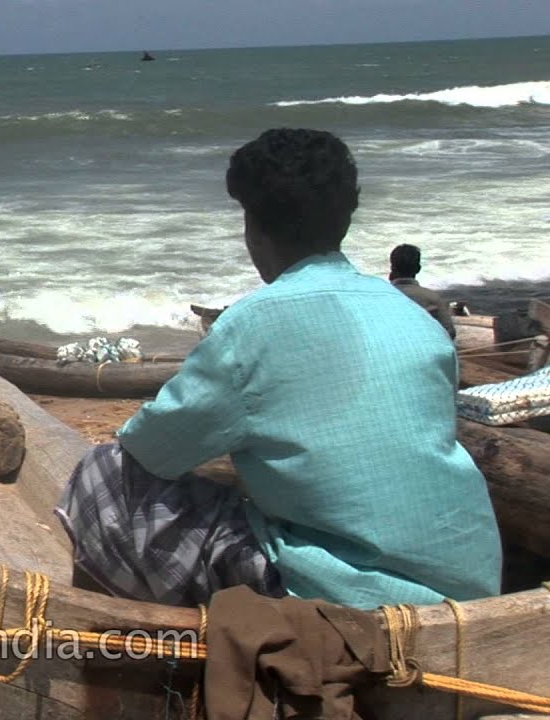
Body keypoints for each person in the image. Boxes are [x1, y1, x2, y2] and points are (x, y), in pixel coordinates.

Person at [55, 128, 500, 610]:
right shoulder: (416, 319)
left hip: (347, 597)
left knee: (104, 471)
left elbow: (148, 448)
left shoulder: (250, 325)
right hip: (468, 581)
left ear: (254, 228)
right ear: (345, 219)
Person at [388, 244, 457, 339]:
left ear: (392, 268)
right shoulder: (433, 298)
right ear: (418, 269)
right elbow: (450, 333)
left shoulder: (380, 297)